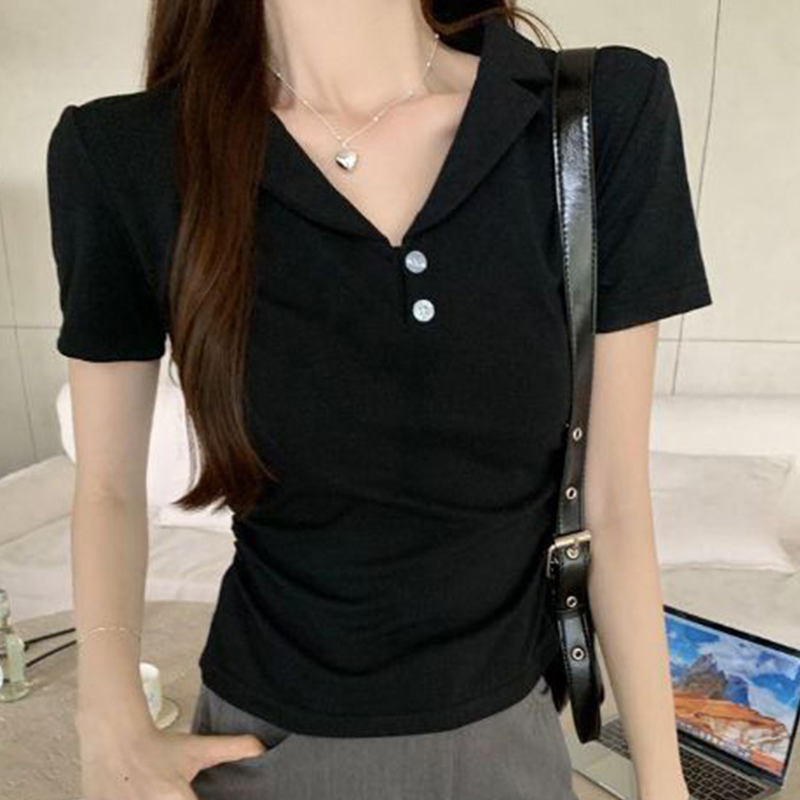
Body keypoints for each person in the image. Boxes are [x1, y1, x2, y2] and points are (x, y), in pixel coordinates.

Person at [46, 1, 711, 798]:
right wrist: (108, 715)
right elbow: (109, 487)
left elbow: (614, 500)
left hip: (511, 744)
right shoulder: (126, 156)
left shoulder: (598, 116)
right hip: (269, 748)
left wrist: (664, 782)